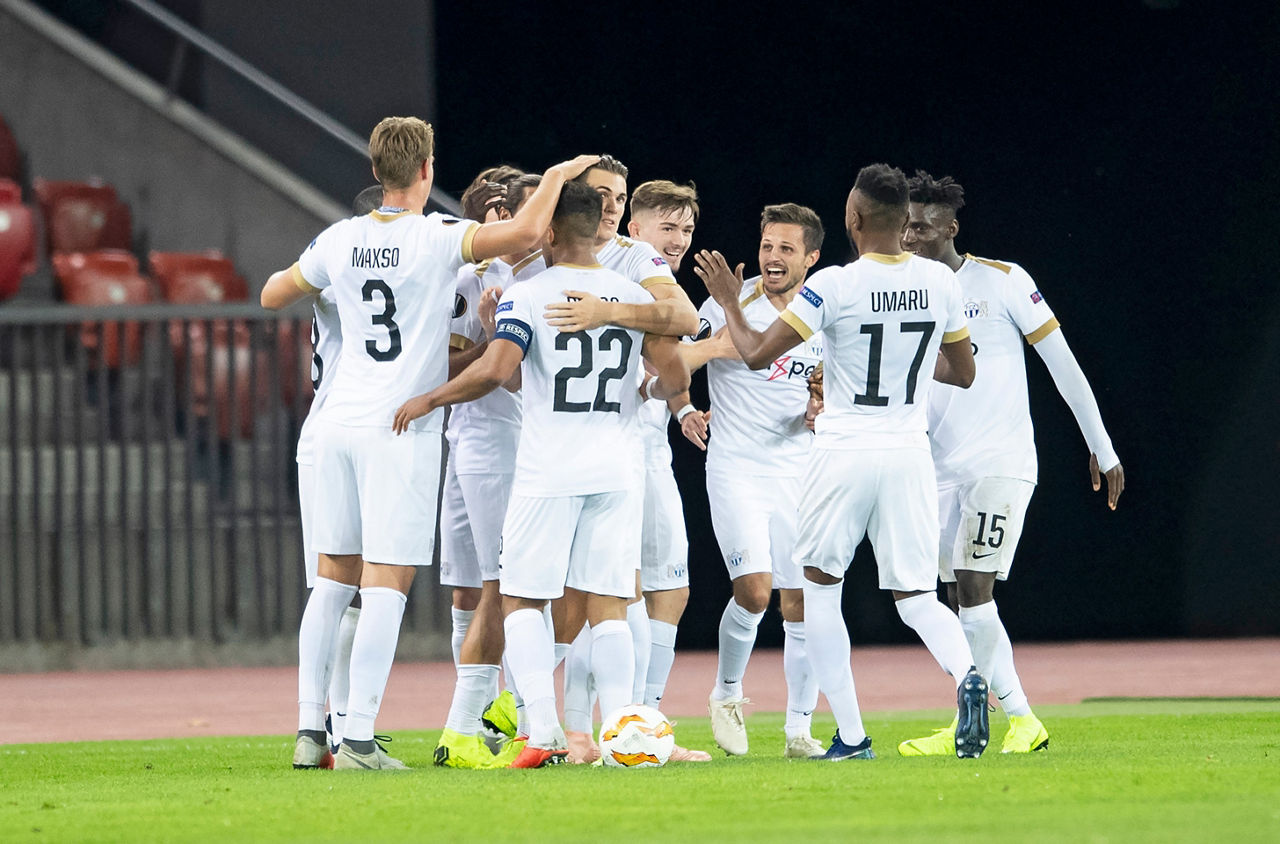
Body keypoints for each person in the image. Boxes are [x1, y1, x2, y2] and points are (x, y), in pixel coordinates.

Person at [262, 114, 599, 770]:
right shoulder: (438, 238)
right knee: (386, 584)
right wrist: (559, 173)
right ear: (426, 171)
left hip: (331, 425)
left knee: (331, 582)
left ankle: (312, 733)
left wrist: (333, 288)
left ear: (374, 170)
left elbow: (276, 292)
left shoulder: (339, 239)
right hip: (398, 427)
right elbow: (528, 232)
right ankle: (358, 736)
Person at [694, 163, 990, 761]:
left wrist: (729, 298)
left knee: (819, 592)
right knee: (917, 598)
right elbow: (963, 371)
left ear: (853, 219)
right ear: (905, 223)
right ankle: (967, 677)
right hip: (909, 454)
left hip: (842, 451)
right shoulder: (940, 282)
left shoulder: (834, 284)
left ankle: (851, 736)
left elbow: (753, 354)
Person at [391, 180, 691, 767]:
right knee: (609, 606)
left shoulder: (528, 294)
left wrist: (428, 399)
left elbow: (491, 371)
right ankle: (624, 735)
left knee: (524, 601)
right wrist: (647, 390)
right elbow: (675, 378)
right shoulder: (629, 293)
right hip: (615, 469)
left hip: (547, 470)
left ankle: (546, 732)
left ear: (549, 231)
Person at [895, 170, 1124, 756]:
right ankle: (969, 722)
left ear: (950, 226)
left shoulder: (1002, 282)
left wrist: (1101, 445)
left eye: (922, 225)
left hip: (999, 462)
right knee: (953, 598)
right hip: (935, 468)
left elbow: (1062, 364)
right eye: (905, 225)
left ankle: (1023, 719)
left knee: (974, 587)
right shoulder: (903, 291)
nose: (912, 235)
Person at [540, 156, 699, 764]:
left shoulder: (616, 260)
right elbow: (682, 329)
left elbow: (678, 334)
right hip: (598, 451)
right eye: (601, 195)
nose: (609, 204)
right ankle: (599, 727)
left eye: (618, 194)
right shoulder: (597, 257)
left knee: (647, 590)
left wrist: (672, 396)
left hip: (627, 445)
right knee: (608, 593)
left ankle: (621, 725)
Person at [679, 204, 829, 759]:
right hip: (736, 468)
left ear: (811, 258)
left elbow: (822, 388)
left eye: (786, 249)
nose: (772, 258)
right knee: (756, 592)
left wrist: (819, 404)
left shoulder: (817, 314)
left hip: (798, 470)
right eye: (767, 246)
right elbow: (675, 358)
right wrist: (684, 406)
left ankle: (798, 731)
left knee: (803, 603)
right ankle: (726, 693)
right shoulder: (730, 303)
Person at [435, 171, 549, 768]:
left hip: (506, 441)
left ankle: (501, 719)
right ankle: (493, 717)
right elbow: (452, 364)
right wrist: (487, 336)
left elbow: (510, 374)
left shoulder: (547, 278)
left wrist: (492, 341)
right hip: (466, 438)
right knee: (471, 590)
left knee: (501, 586)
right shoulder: (471, 278)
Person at [625, 179, 711, 762]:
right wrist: (716, 349)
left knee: (665, 589)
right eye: (668, 227)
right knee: (617, 594)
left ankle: (641, 720)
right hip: (619, 449)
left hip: (648, 445)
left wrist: (680, 408)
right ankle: (624, 722)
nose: (679, 240)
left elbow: (657, 376)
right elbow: (667, 359)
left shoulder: (644, 279)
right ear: (635, 227)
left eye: (686, 229)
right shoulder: (634, 275)